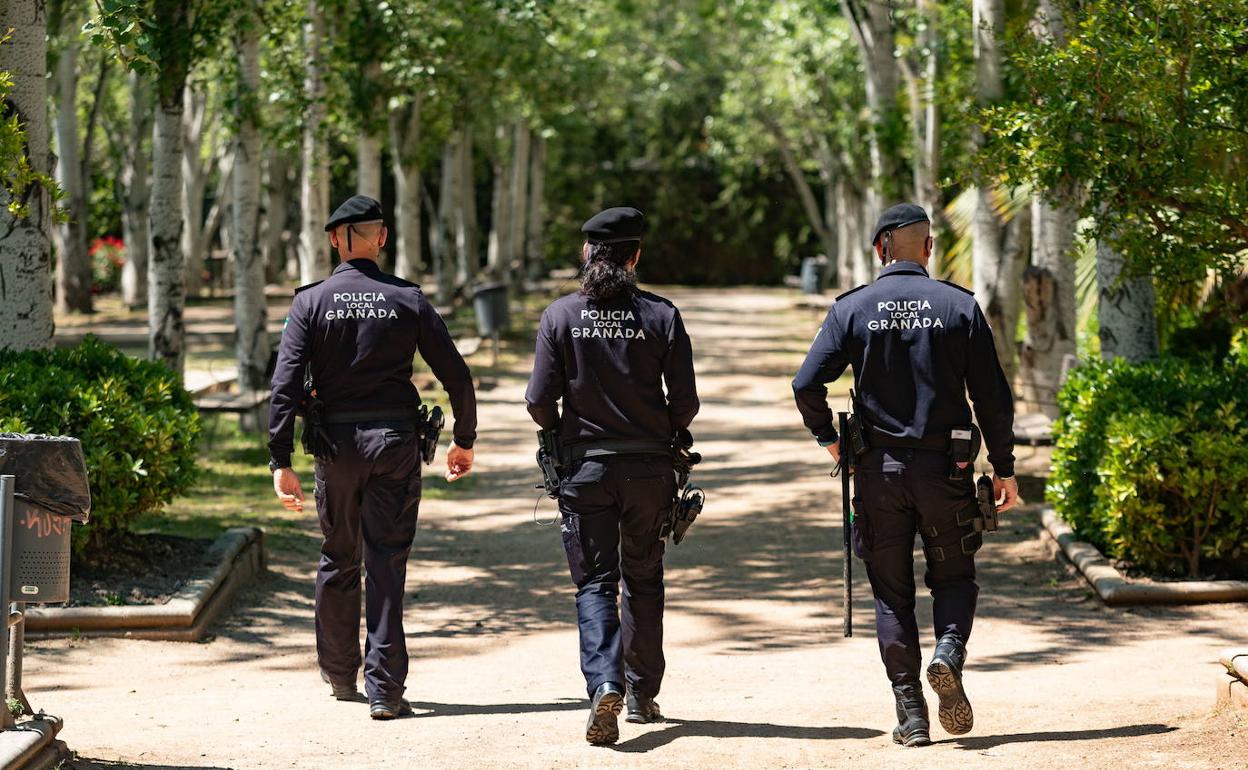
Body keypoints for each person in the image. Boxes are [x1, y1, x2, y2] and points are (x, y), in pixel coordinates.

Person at [792, 203, 1020, 747]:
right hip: (948, 472)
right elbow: (991, 396)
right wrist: (1005, 468)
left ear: (880, 249)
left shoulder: (853, 308)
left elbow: (806, 384)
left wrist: (831, 442)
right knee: (955, 577)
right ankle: (947, 653)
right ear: (928, 248)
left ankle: (912, 714)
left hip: (878, 476)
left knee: (891, 593)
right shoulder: (958, 306)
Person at [267, 194, 478, 720]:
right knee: (386, 561)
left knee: (340, 555)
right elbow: (457, 375)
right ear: (381, 238)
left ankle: (340, 674)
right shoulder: (408, 300)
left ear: (336, 240)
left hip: (335, 449)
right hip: (393, 444)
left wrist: (280, 459)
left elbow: (285, 386)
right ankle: (385, 690)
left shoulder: (310, 303)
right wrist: (465, 438)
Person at [525, 207, 700, 746]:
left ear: (587, 254)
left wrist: (561, 433)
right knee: (643, 578)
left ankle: (605, 683)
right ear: (635, 256)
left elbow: (537, 400)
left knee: (595, 583)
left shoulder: (560, 316)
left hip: (584, 469)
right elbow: (686, 403)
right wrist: (659, 434)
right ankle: (642, 691)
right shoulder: (662, 316)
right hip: (649, 470)